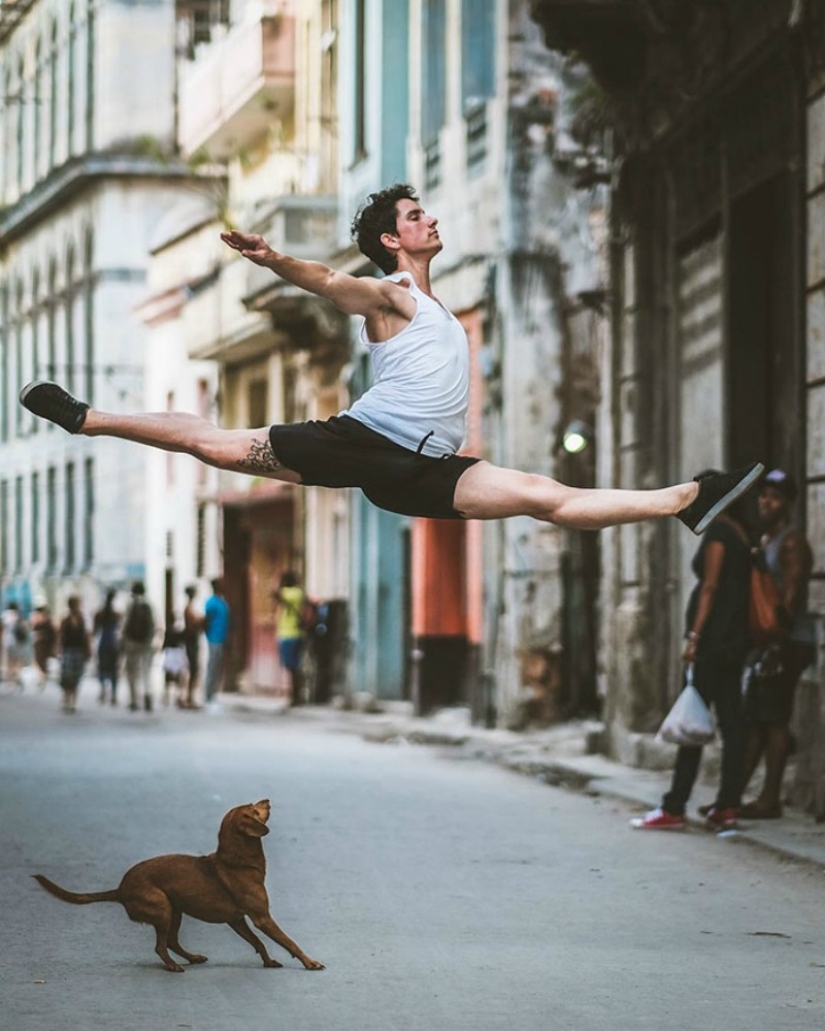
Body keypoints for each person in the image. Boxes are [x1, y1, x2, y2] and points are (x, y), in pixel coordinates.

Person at [19, 184, 761, 535]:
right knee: (209, 440)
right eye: (415, 216)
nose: (430, 217)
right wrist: (276, 259)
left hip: (426, 470)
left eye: (424, 211)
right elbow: (333, 283)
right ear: (391, 242)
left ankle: (688, 500)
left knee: (548, 496)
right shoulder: (393, 294)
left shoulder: (432, 306)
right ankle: (89, 418)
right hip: (363, 444)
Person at [631, 493, 753, 832]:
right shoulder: (742, 533)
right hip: (734, 642)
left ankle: (674, 806)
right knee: (732, 723)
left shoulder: (719, 533)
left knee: (691, 722)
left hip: (712, 643)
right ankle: (728, 805)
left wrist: (695, 638)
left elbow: (710, 587)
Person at [740, 469, 815, 819]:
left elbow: (792, 594)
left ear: (787, 502)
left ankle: (770, 798)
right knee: (760, 717)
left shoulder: (791, 541)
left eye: (773, 496)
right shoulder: (767, 539)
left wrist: (777, 643)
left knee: (775, 720)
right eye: (762, 495)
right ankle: (742, 794)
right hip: (769, 642)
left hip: (787, 641)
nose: (764, 501)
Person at [122, 581, 156, 713]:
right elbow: (154, 624)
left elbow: (125, 625)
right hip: (146, 643)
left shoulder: (130, 605)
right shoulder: (149, 605)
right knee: (147, 671)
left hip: (132, 643)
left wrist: (123, 641)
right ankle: (148, 694)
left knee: (132, 672)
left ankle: (133, 700)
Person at [273, 572, 307, 705]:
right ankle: (298, 694)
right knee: (296, 665)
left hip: (287, 633)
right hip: (299, 633)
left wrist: (277, 582)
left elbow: (275, 594)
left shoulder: (287, 593)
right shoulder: (299, 593)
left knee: (291, 666)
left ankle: (295, 695)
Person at [57, 595, 91, 714]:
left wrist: (88, 651)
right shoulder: (65, 619)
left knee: (77, 676)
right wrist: (58, 649)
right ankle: (67, 699)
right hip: (68, 650)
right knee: (67, 676)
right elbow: (60, 635)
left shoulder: (82, 619)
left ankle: (74, 701)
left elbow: (86, 636)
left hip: (79, 650)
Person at [203, 578, 230, 712]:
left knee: (218, 668)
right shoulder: (211, 603)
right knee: (212, 667)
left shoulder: (222, 602)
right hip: (214, 638)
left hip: (222, 638)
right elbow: (206, 620)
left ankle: (213, 694)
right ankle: (208, 696)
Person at [93, 589, 121, 706]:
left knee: (103, 667)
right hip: (113, 643)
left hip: (103, 642)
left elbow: (95, 631)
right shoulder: (116, 614)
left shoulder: (100, 614)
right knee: (114, 669)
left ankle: (103, 689)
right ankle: (114, 694)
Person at [161, 614, 189, 708]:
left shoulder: (169, 631)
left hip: (170, 654)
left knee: (169, 678)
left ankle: (167, 697)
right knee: (177, 678)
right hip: (176, 654)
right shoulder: (178, 632)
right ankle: (176, 696)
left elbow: (164, 644)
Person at [182, 585, 203, 709]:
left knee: (194, 669)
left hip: (191, 641)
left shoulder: (190, 608)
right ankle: (189, 697)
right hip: (191, 641)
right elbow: (193, 623)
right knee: (193, 669)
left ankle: (190, 697)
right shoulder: (189, 609)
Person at [30, 600, 57, 689]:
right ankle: (42, 676)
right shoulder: (42, 619)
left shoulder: (46, 619)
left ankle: (42, 677)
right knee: (39, 661)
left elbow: (53, 632)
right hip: (40, 643)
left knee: (40, 660)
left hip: (44, 643)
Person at [2, 601, 27, 688]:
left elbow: (2, 628)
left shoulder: (5, 615)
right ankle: (16, 675)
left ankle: (9, 678)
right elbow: (24, 627)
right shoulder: (18, 615)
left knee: (9, 660)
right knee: (17, 659)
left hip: (7, 640)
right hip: (17, 641)